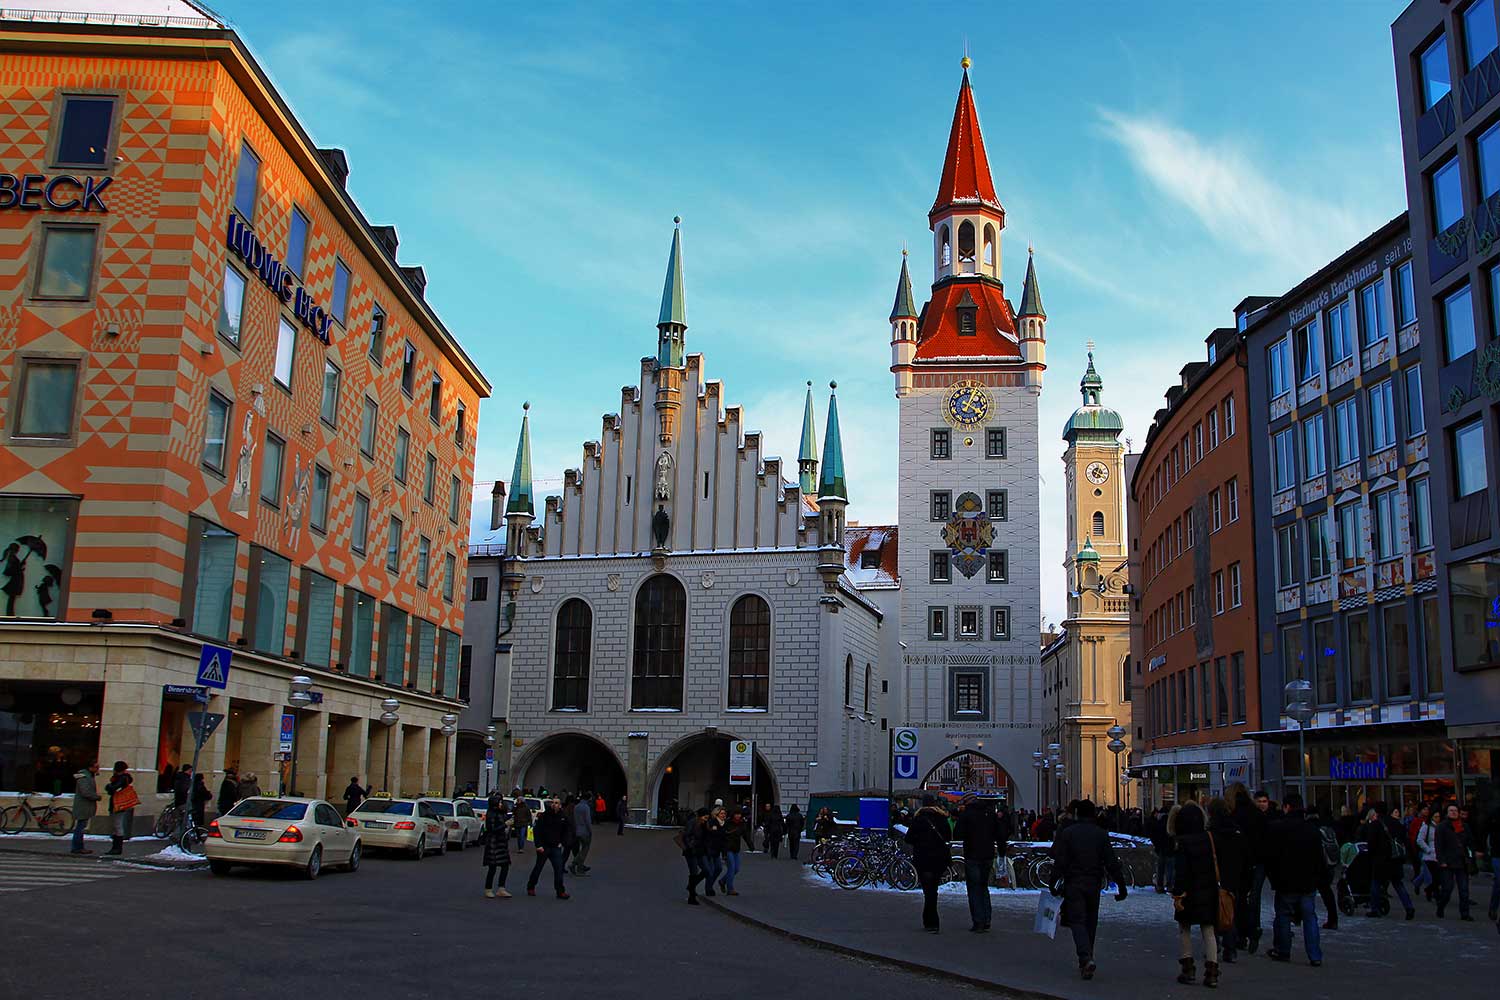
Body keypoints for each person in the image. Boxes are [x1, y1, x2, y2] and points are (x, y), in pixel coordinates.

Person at [1051, 799, 1127, 980]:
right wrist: (1121, 885)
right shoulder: (1100, 834)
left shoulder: (1069, 833)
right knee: (1091, 921)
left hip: (1074, 881)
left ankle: (1085, 957)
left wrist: (1053, 881)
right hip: (1093, 882)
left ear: (1078, 813)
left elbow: (1060, 860)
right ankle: (1087, 957)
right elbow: (1111, 861)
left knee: (1077, 920)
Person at [1263, 792, 1325, 966]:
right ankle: (1315, 955)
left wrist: (1273, 878)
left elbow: (1271, 857)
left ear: (1287, 807)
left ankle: (1283, 950)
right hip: (1307, 882)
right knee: (1310, 917)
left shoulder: (1277, 828)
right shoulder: (1312, 829)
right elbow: (1319, 858)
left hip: (1285, 881)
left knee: (1283, 916)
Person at [1170, 801, 1222, 986]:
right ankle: (1212, 971)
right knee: (1208, 930)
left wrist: (1178, 894)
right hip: (1208, 890)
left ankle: (1188, 968)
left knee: (1184, 928)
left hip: (1189, 892)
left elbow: (1181, 871)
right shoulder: (1210, 838)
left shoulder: (1182, 843)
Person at [952, 794, 1004, 932]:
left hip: (972, 854)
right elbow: (1000, 833)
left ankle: (978, 921)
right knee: (983, 886)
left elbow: (957, 834)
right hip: (987, 854)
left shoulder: (966, 815)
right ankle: (987, 918)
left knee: (974, 888)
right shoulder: (989, 813)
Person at [1206, 797, 1249, 964]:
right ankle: (1230, 949)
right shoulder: (1236, 831)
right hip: (1233, 877)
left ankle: (1214, 945)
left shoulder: (1210, 832)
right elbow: (1245, 856)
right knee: (1229, 912)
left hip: (1214, 877)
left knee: (1213, 912)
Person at [903, 794, 952, 933]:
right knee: (933, 889)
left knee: (928, 890)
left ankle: (930, 921)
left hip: (923, 858)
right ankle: (932, 921)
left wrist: (921, 841)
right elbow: (948, 836)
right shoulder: (942, 818)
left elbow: (908, 838)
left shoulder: (918, 819)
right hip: (938, 859)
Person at [1360, 802, 1416, 919]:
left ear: (1376, 812)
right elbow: (1404, 840)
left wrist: (1370, 856)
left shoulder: (1374, 825)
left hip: (1380, 860)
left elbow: (1371, 844)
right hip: (1395, 859)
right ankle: (1409, 907)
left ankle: (1375, 909)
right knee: (1398, 884)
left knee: (1375, 883)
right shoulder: (1397, 823)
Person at [1433, 802, 1473, 920]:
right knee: (1447, 889)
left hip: (1461, 862)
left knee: (1464, 890)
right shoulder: (1442, 827)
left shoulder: (1464, 826)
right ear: (1447, 813)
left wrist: (1470, 857)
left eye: (1455, 810)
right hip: (1447, 862)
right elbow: (1438, 845)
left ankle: (1465, 914)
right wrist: (1441, 860)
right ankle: (1441, 906)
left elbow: (1470, 843)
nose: (1453, 812)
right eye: (1451, 810)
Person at [526, 797, 570, 899]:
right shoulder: (544, 816)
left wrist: (562, 842)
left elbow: (567, 830)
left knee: (559, 869)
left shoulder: (563, 817)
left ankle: (560, 891)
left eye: (556, 803)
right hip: (544, 847)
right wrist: (538, 845)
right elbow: (537, 831)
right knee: (538, 868)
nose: (554, 804)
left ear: (560, 805)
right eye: (553, 803)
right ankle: (531, 886)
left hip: (556, 847)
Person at [481, 792, 512, 898]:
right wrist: (505, 824)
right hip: (493, 842)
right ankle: (488, 889)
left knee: (505, 865)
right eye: (499, 802)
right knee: (492, 867)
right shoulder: (491, 814)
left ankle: (501, 888)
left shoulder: (501, 812)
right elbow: (492, 829)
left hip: (501, 841)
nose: (501, 804)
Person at [104, 760, 136, 855]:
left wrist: (109, 786)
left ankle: (117, 847)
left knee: (117, 825)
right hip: (119, 804)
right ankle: (116, 847)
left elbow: (112, 788)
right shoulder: (124, 777)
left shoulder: (121, 778)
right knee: (116, 825)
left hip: (118, 804)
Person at [70, 761, 100, 855]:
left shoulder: (87, 776)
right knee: (80, 827)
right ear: (90, 767)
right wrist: (96, 797)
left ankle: (78, 847)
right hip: (83, 806)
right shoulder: (84, 777)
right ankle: (77, 847)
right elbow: (85, 792)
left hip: (85, 806)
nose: (97, 769)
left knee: (81, 827)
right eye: (96, 767)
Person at [683, 807, 710, 904]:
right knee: (694, 872)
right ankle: (692, 895)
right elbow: (686, 835)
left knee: (706, 870)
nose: (705, 819)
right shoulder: (692, 823)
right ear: (700, 816)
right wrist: (690, 846)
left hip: (701, 850)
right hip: (691, 851)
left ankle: (691, 886)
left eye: (707, 818)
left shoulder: (705, 824)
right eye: (704, 817)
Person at [721, 807, 745, 895]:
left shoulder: (741, 823)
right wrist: (723, 852)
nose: (738, 816)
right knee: (731, 868)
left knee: (736, 869)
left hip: (736, 848)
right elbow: (723, 837)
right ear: (733, 815)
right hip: (728, 848)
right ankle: (730, 889)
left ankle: (723, 881)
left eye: (739, 814)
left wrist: (750, 845)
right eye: (736, 814)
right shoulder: (727, 823)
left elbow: (745, 833)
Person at [571, 793, 593, 876]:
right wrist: (590, 831)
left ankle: (574, 865)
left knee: (582, 849)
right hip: (585, 831)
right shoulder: (586, 807)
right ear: (588, 798)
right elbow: (588, 821)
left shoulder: (577, 806)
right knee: (584, 850)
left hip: (578, 830)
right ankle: (578, 868)